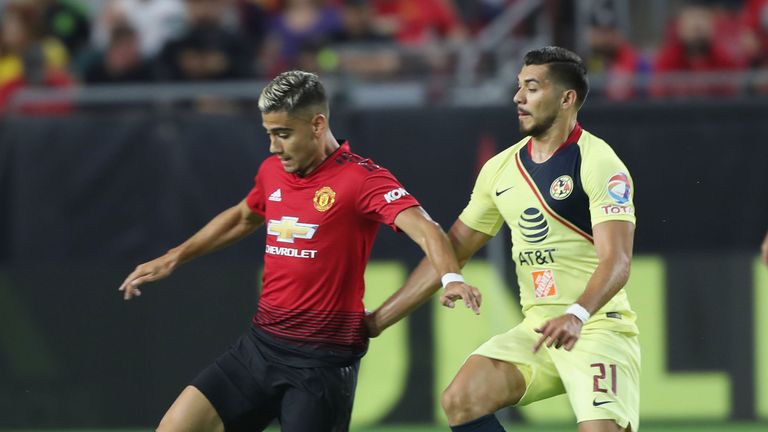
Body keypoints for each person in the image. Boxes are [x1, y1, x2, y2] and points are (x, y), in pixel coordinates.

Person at [118, 70, 481, 432]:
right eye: (269, 134)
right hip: (259, 350)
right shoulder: (272, 171)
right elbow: (244, 217)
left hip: (320, 367)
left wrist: (446, 279)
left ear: (318, 124)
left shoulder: (361, 179)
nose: (274, 147)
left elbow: (427, 230)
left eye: (283, 134)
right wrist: (174, 257)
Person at [381, 46, 640, 432]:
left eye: (532, 88)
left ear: (567, 98)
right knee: (462, 399)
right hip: (539, 328)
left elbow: (617, 260)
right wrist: (378, 320)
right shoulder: (500, 169)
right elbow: (453, 249)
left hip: (596, 325)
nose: (518, 97)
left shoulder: (599, 162)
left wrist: (577, 313)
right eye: (519, 87)